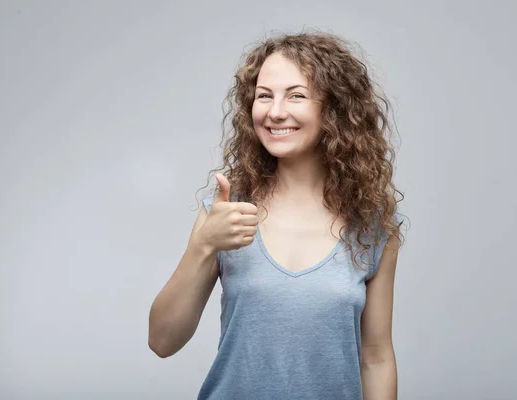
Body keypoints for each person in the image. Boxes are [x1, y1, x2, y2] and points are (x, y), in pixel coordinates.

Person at [148, 30, 406, 400]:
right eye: (264, 96)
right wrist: (203, 246)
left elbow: (377, 358)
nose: (275, 111)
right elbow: (162, 341)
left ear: (334, 109)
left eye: (296, 95)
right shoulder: (227, 212)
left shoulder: (373, 228)